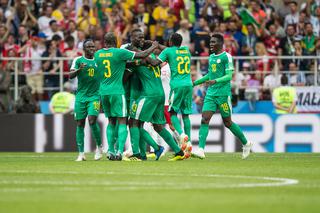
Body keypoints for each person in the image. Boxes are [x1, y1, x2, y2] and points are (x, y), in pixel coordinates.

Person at [95, 32, 158, 161]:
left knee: (111, 122)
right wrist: (153, 47)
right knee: (122, 121)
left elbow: (116, 65)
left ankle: (110, 151)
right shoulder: (119, 52)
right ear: (116, 42)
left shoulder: (97, 54)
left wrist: (135, 64)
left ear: (104, 42)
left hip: (103, 92)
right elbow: (141, 55)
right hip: (117, 91)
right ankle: (119, 152)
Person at [127, 29, 186, 161]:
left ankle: (146, 151)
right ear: (132, 38)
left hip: (149, 94)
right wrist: (155, 46)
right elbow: (167, 53)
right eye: (139, 38)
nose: (142, 40)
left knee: (134, 122)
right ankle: (178, 151)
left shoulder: (139, 54)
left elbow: (136, 61)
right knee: (158, 126)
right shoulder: (153, 55)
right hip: (160, 94)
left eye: (143, 37)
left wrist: (153, 45)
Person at [192, 33, 253, 160]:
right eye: (210, 42)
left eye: (214, 42)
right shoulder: (211, 57)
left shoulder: (227, 57)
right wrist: (195, 83)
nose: (211, 44)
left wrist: (215, 81)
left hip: (223, 95)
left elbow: (229, 76)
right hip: (210, 94)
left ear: (221, 43)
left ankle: (246, 143)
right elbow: (210, 75)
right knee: (204, 119)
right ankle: (201, 150)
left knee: (227, 122)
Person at [149, 33, 193, 153]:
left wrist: (149, 51)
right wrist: (160, 46)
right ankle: (188, 142)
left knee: (172, 113)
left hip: (177, 85)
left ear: (170, 41)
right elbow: (171, 50)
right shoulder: (186, 50)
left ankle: (182, 135)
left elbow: (153, 63)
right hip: (189, 84)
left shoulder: (167, 52)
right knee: (185, 115)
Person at [69, 39, 102, 162]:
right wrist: (79, 70)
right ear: (84, 49)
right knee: (80, 124)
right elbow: (70, 75)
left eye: (93, 46)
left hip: (95, 96)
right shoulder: (78, 61)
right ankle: (81, 153)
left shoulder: (99, 60)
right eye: (89, 47)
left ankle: (99, 147)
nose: (92, 49)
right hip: (81, 97)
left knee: (92, 120)